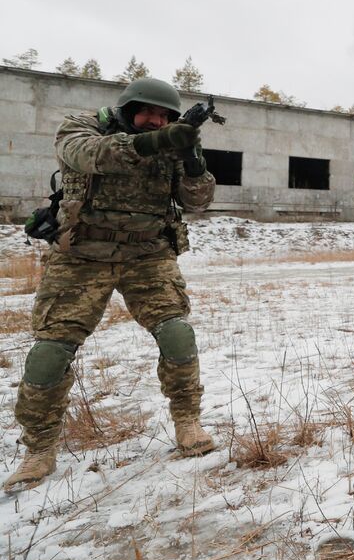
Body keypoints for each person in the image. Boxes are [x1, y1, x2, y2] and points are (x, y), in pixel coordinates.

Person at [4, 78, 217, 493]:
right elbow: (89, 156)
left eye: (164, 116)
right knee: (50, 351)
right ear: (127, 109)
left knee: (177, 333)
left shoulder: (171, 143)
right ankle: (39, 449)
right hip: (82, 254)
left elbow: (197, 200)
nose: (155, 121)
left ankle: (188, 421)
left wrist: (191, 157)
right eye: (147, 112)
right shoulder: (82, 127)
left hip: (147, 254)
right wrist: (161, 141)